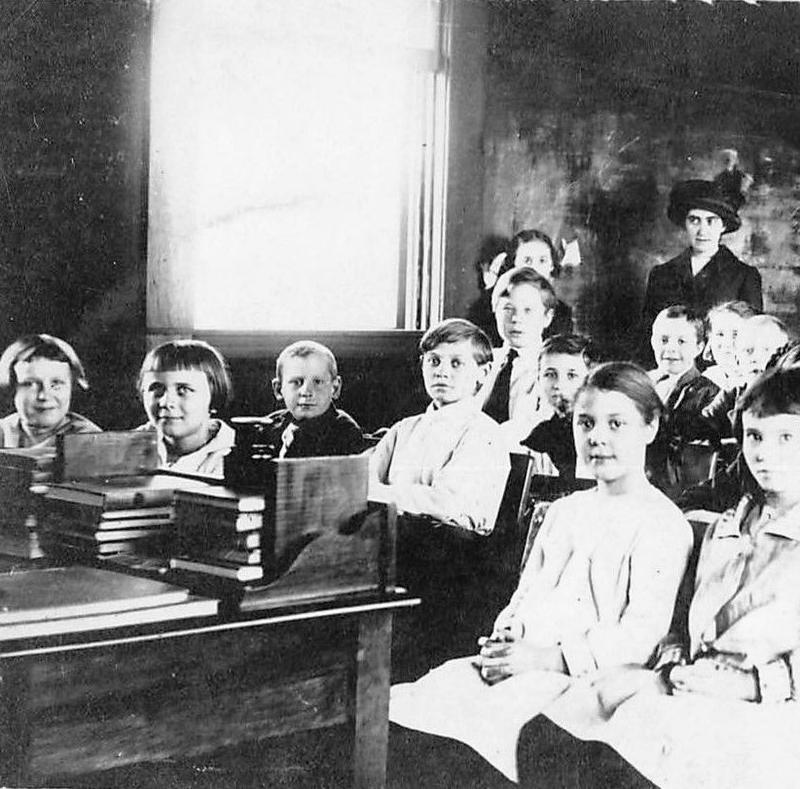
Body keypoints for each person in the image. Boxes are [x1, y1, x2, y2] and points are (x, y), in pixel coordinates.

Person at [388, 362, 692, 784]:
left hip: (580, 678)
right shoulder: (565, 511)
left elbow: (640, 635)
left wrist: (545, 658)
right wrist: (508, 634)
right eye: (585, 423)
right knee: (411, 704)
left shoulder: (661, 522)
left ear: (650, 427)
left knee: (485, 732)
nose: (597, 437)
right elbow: (526, 594)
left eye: (616, 424)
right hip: (523, 659)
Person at [526, 366, 800, 789]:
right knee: (580, 711)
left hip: (771, 704)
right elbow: (680, 618)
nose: (764, 453)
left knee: (651, 741)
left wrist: (749, 685)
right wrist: (675, 662)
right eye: (754, 436)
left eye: (786, 437)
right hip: (697, 682)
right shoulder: (727, 528)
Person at [369, 318, 510, 535]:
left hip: (452, 546)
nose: (441, 372)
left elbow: (446, 504)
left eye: (456, 363)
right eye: (434, 361)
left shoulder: (483, 433)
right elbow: (365, 481)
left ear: (483, 372)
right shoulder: (404, 429)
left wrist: (380, 493)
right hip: (396, 534)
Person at [641, 179, 762, 364]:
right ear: (685, 223)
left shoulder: (745, 276)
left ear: (723, 226)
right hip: (671, 369)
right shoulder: (661, 274)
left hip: (721, 373)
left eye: (711, 221)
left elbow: (752, 339)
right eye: (694, 220)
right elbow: (647, 337)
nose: (702, 231)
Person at [481, 268, 557, 449]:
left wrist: (480, 439)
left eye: (528, 310)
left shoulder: (551, 367)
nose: (516, 318)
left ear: (547, 317)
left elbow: (537, 422)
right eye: (507, 309)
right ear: (495, 310)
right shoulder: (483, 360)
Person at [136, 339, 235, 478]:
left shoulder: (232, 453)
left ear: (213, 395)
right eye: (157, 389)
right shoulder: (128, 446)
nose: (165, 402)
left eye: (183, 390)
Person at [251, 341, 364, 458]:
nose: (306, 392)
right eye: (296, 382)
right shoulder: (270, 425)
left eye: (318, 382)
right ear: (278, 389)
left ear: (335, 388)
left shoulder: (344, 431)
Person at [0, 333, 100, 458]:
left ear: (72, 387)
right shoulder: (3, 431)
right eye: (29, 384)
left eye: (56, 383)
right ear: (11, 388)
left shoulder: (91, 441)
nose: (43, 396)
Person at [521, 334, 598, 480]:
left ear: (589, 381)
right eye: (550, 375)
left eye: (571, 375)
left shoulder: (603, 435)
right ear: (538, 379)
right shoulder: (539, 436)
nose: (558, 385)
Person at [485, 229, 574, 339]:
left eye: (542, 261)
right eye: (527, 261)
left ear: (551, 266)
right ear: (514, 265)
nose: (535, 268)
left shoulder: (561, 313)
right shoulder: (498, 304)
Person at [701, 300, 757, 389]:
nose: (727, 343)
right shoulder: (707, 380)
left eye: (736, 334)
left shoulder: (757, 383)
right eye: (720, 334)